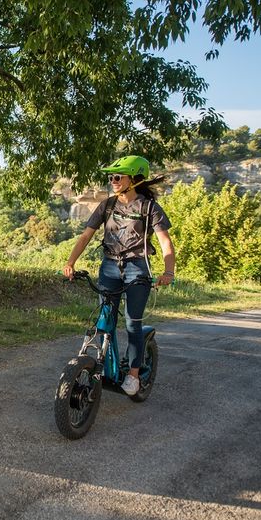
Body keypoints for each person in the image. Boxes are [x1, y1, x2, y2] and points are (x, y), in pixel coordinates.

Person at [63, 155, 176, 395]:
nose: (112, 181)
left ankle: (133, 376)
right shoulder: (108, 204)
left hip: (137, 268)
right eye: (111, 177)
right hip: (110, 266)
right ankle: (105, 364)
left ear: (133, 179)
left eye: (117, 177)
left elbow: (165, 242)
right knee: (105, 319)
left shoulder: (149, 207)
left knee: (132, 322)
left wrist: (168, 272)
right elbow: (86, 236)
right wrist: (70, 262)